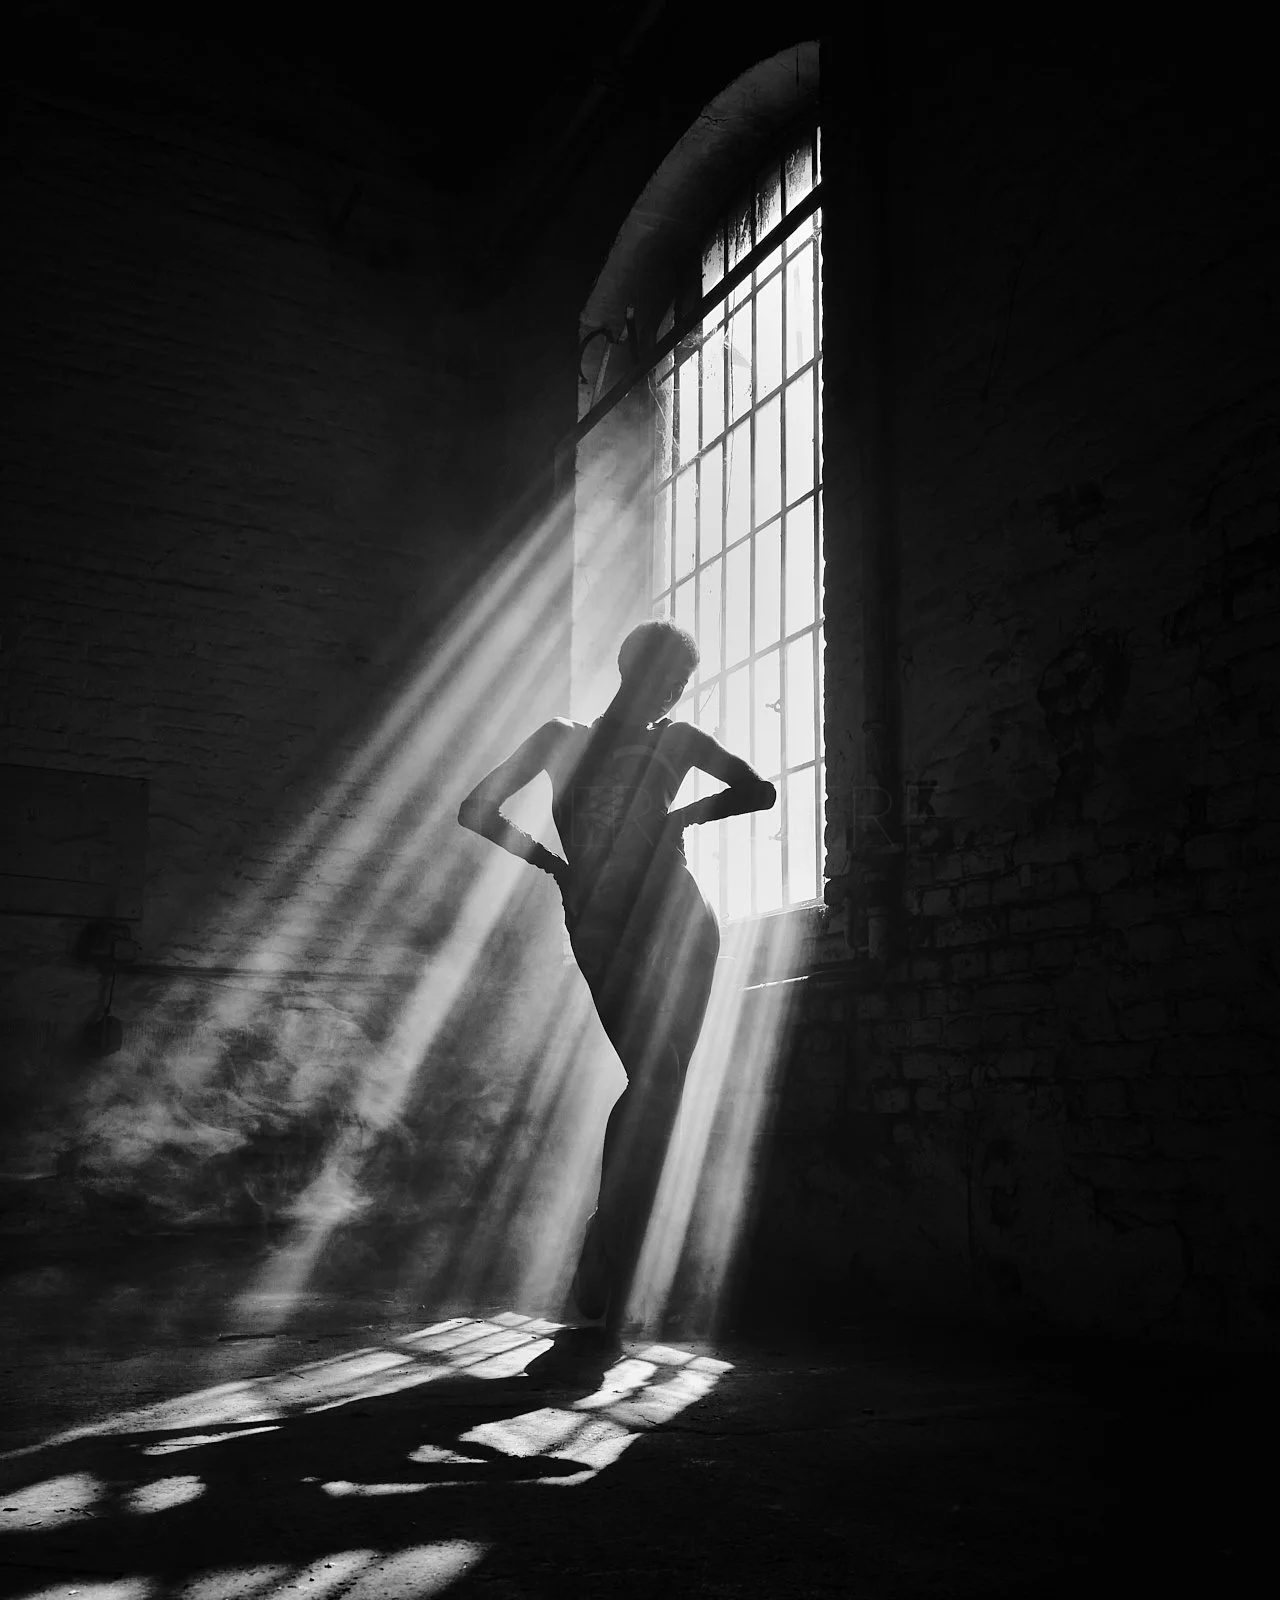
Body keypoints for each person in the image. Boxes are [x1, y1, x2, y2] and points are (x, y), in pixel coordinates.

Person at [458, 618, 776, 1331]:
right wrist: (554, 867)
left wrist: (682, 818)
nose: (670, 691)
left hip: (684, 922)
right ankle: (607, 1250)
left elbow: (761, 791)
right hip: (603, 924)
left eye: (681, 683)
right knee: (654, 1079)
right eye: (663, 676)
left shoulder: (679, 740)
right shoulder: (559, 738)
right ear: (629, 668)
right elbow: (474, 808)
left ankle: (616, 1256)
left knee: (663, 1088)